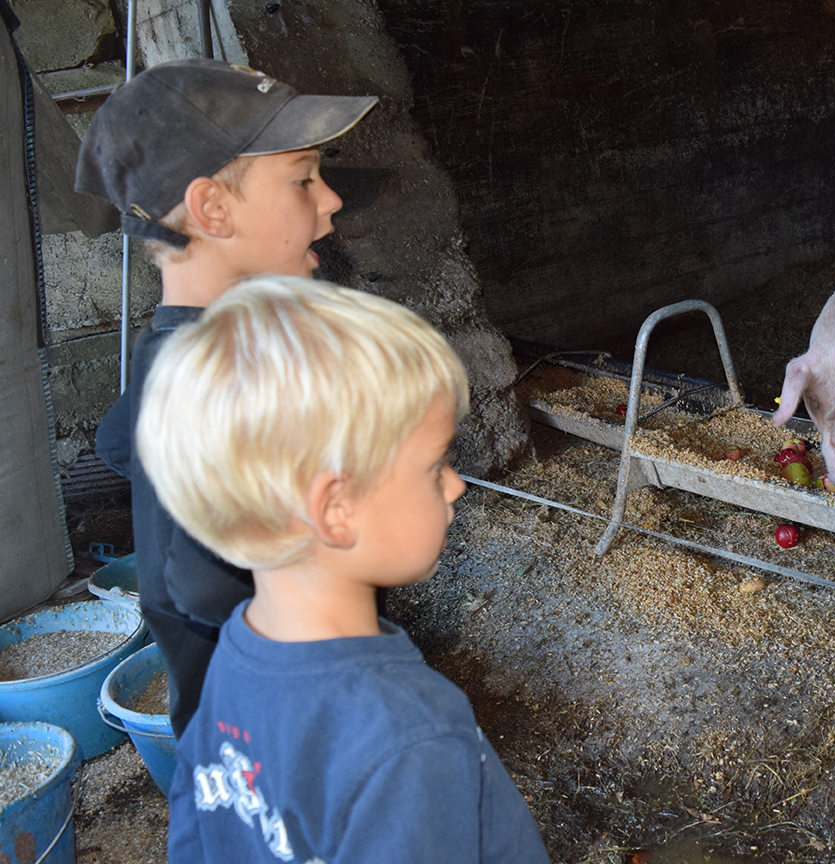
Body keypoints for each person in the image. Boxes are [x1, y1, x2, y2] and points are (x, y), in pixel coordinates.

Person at [138, 275, 551, 862]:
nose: (456, 485)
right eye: (436, 465)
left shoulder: (233, 658)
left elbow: (195, 828)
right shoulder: (408, 735)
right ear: (335, 510)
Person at [78, 58, 377, 736]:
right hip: (277, 726)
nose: (329, 199)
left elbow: (117, 441)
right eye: (304, 178)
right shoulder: (227, 374)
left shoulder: (183, 349)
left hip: (224, 716)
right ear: (212, 207)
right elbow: (203, 584)